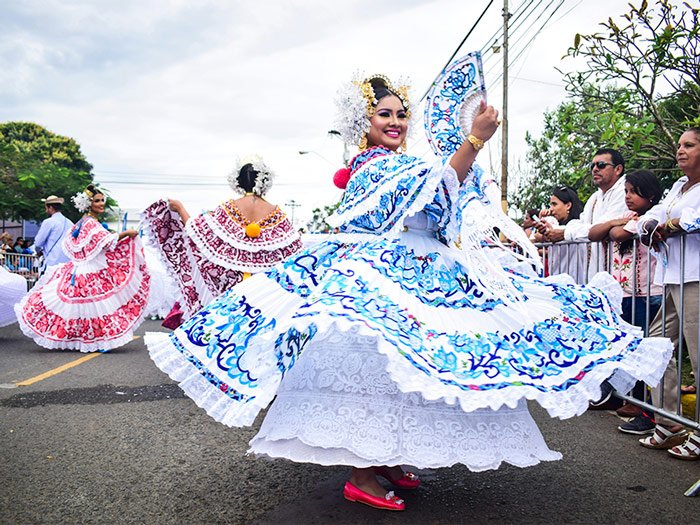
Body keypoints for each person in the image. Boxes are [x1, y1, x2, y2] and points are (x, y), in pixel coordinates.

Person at [145, 73, 671, 512]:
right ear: (366, 125)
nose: (395, 123)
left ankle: (385, 460)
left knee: (411, 369)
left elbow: (445, 199)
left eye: (400, 115)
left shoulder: (400, 163)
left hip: (423, 269)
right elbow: (439, 183)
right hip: (384, 274)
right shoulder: (374, 167)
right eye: (384, 116)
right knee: (381, 368)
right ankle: (363, 472)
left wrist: (469, 165)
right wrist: (475, 141)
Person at [142, 155, 302, 326]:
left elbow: (198, 232)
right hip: (264, 287)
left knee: (231, 329)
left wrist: (180, 209)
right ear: (265, 181)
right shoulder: (276, 213)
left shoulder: (229, 208)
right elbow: (295, 248)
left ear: (238, 182)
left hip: (232, 285)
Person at [15, 184, 150, 352]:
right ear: (89, 204)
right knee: (94, 305)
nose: (101, 204)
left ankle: (93, 339)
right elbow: (106, 241)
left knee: (88, 307)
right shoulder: (89, 223)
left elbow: (92, 242)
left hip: (84, 266)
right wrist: (127, 233)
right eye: (97, 201)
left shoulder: (84, 221)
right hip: (87, 269)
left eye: (102, 201)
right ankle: (97, 340)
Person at [636, 127, 700, 460]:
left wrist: (669, 226)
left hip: (696, 278)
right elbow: (652, 216)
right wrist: (651, 225)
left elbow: (692, 219)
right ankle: (669, 422)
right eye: (679, 145)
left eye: (689, 145)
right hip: (674, 277)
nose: (681, 150)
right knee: (657, 346)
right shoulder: (678, 187)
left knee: (698, 354)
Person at [588, 169, 664, 430]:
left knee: (646, 350)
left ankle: (648, 409)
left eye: (633, 192)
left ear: (650, 194)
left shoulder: (656, 213)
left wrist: (615, 227)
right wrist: (613, 224)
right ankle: (635, 400)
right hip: (628, 293)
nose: (628, 197)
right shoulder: (631, 217)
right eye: (626, 192)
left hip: (649, 293)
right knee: (631, 348)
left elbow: (618, 235)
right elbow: (595, 233)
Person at [538, 149, 629, 283]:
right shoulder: (595, 197)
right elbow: (581, 222)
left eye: (601, 165)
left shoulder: (624, 191)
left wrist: (564, 233)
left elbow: (601, 227)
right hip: (595, 272)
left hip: (620, 273)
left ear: (618, 169)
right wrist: (553, 230)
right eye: (592, 166)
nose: (595, 169)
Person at [535, 186, 586, 283]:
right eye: (550, 205)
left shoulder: (576, 224)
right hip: (555, 279)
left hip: (574, 281)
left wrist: (546, 233)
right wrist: (541, 224)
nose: (551, 209)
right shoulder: (554, 223)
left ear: (568, 205)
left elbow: (554, 232)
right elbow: (535, 238)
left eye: (554, 204)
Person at [33, 195, 73, 273]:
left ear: (50, 208)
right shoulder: (70, 223)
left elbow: (38, 242)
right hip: (67, 264)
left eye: (46, 208)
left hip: (52, 263)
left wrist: (39, 251)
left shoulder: (49, 222)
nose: (46, 210)